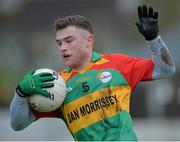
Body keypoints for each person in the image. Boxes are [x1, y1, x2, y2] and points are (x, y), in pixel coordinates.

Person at [10, 5, 175, 141]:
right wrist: (21, 92)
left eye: (68, 41)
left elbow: (166, 69)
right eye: (59, 43)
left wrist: (153, 39)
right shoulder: (56, 85)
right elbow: (17, 124)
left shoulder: (118, 65)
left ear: (88, 41)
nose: (62, 48)